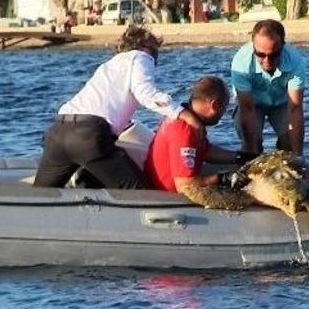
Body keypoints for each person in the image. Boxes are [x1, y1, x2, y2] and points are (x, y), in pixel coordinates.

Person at [33, 25, 203, 189]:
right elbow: (145, 93)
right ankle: (86, 178)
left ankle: (84, 178)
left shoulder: (109, 66)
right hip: (88, 136)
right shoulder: (141, 57)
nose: (156, 55)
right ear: (143, 46)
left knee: (42, 195)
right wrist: (185, 115)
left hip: (58, 132)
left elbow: (110, 107)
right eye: (155, 49)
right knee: (139, 192)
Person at [144, 76, 253, 193]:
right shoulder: (184, 131)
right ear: (214, 105)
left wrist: (241, 157)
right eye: (225, 106)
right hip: (169, 195)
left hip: (173, 183)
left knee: (240, 169)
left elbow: (205, 151)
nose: (224, 112)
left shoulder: (189, 118)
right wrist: (224, 179)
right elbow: (184, 186)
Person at [230, 19, 306, 155]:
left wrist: (298, 157)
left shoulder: (296, 61)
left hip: (282, 103)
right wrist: (252, 154)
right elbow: (246, 109)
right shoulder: (241, 62)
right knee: (253, 145)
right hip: (251, 104)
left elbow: (295, 108)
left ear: (283, 46)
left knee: (289, 144)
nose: (267, 61)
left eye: (273, 55)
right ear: (253, 46)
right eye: (260, 54)